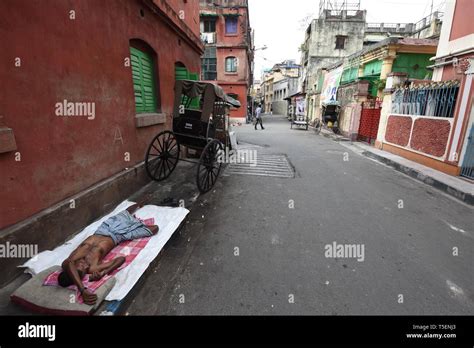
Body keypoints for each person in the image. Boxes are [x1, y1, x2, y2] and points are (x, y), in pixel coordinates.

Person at [58, 203, 158, 305]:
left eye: (79, 267)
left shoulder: (71, 259)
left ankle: (141, 203)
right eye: (83, 271)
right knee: (154, 229)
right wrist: (104, 272)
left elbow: (68, 264)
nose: (84, 266)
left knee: (126, 212)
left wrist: (82, 290)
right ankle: (135, 222)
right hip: (119, 235)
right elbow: (121, 259)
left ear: (72, 270)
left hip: (104, 229)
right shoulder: (93, 268)